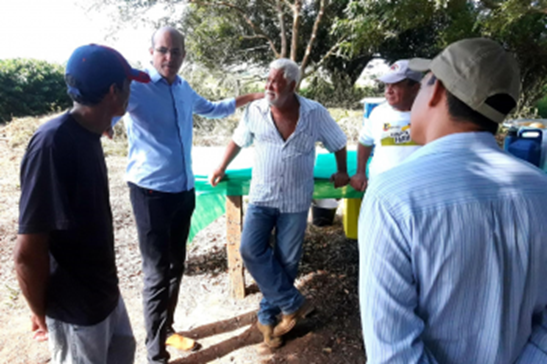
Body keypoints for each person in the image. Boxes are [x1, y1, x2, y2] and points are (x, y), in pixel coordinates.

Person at [359, 38, 547, 363]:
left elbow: (393, 351)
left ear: (436, 91)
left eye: (424, 81)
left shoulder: (392, 197)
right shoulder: (539, 188)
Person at [111, 26, 264, 363]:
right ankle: (155, 355)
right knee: (156, 273)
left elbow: (213, 108)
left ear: (183, 54)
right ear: (151, 52)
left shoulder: (182, 88)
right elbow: (109, 110)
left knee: (176, 265)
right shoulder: (136, 88)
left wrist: (252, 98)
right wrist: (104, 125)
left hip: (183, 190)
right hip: (149, 192)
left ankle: (166, 329)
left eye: (177, 51)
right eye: (163, 50)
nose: (170, 57)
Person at [14, 44, 150, 364]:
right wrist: (40, 312)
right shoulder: (52, 143)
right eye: (128, 84)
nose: (131, 91)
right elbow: (27, 253)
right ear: (113, 91)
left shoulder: (89, 132)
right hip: (75, 311)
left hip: (105, 296)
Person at [209, 58, 349, 348]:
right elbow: (238, 140)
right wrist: (221, 166)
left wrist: (343, 170)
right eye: (268, 79)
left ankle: (267, 320)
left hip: (296, 200)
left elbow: (338, 141)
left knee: (286, 262)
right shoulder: (256, 111)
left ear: (293, 85)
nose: (268, 86)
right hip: (263, 196)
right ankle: (293, 303)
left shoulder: (314, 113)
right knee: (249, 248)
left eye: (276, 82)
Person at [349, 60, 421, 192]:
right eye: (387, 85)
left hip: (418, 190)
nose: (389, 91)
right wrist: (360, 172)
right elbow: (365, 142)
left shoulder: (430, 115)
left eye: (396, 86)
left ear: (415, 88)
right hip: (381, 189)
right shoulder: (378, 113)